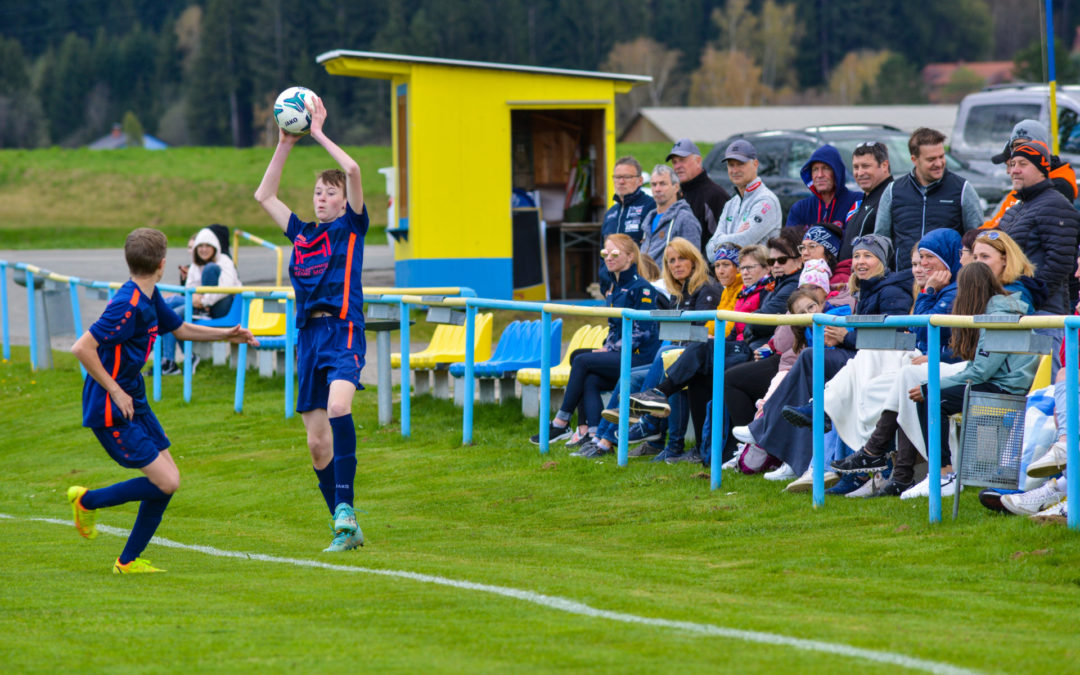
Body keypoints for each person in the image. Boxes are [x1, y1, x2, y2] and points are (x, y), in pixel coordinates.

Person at [66, 228, 257, 573]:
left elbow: (180, 329)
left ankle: (127, 561)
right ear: (163, 264)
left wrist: (227, 334)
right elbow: (82, 348)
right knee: (166, 481)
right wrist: (116, 390)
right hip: (112, 405)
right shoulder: (128, 305)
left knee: (169, 479)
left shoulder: (150, 296)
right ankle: (86, 501)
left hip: (132, 398)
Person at [254, 94, 369, 552]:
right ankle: (345, 524)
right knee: (317, 445)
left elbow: (355, 170)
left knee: (340, 408)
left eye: (330, 194)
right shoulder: (301, 234)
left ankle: (345, 509)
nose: (322, 199)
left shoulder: (352, 228)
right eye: (318, 193)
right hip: (308, 338)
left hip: (343, 330)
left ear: (344, 203)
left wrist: (318, 133)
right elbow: (264, 195)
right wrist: (285, 142)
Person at [732, 234, 913, 480]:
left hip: (879, 363)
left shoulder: (890, 291)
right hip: (857, 358)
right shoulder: (868, 288)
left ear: (882, 261)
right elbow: (783, 341)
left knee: (808, 359)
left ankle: (774, 436)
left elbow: (892, 339)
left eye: (868, 256)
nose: (860, 261)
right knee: (804, 365)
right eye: (857, 255)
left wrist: (844, 337)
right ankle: (795, 458)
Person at [903, 262, 1040, 499]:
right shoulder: (997, 311)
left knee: (931, 398)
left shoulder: (999, 317)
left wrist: (931, 387)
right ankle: (943, 473)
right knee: (929, 393)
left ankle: (943, 475)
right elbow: (977, 368)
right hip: (1002, 382)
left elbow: (981, 373)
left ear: (969, 291)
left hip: (1007, 389)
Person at [578, 238, 718, 459]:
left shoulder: (706, 288)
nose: (676, 264)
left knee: (663, 357)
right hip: (678, 359)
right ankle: (603, 439)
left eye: (682, 258)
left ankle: (647, 426)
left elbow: (701, 334)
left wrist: (675, 337)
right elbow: (672, 333)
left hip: (698, 360)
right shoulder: (678, 292)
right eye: (671, 260)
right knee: (632, 376)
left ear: (694, 261)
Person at [530, 233, 659, 448]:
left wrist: (611, 350)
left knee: (582, 361)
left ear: (630, 257)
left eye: (614, 253)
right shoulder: (613, 287)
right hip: (620, 353)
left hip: (639, 358)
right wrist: (607, 347)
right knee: (586, 372)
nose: (608, 258)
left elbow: (642, 334)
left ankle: (561, 422)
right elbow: (614, 328)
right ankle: (590, 431)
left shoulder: (642, 288)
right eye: (605, 253)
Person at [874, 127, 983, 270]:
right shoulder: (893, 191)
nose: (938, 163)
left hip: (948, 281)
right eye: (931, 159)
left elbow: (976, 239)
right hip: (904, 279)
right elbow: (881, 240)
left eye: (941, 156)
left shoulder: (963, 189)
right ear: (914, 160)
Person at [997, 141, 1080, 315]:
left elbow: (1059, 264)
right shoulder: (1014, 210)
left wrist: (1028, 296)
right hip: (1011, 306)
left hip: (1043, 313)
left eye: (1023, 164)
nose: (1015, 170)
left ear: (1042, 170)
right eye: (1012, 164)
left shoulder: (1057, 205)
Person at [158, 226, 242, 375]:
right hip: (201, 305)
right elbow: (190, 288)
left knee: (210, 269)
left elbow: (226, 288)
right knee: (169, 308)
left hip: (225, 307)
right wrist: (196, 300)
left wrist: (203, 302)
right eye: (200, 246)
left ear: (215, 247)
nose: (203, 249)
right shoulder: (195, 265)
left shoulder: (224, 261)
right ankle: (171, 360)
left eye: (207, 246)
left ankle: (171, 360)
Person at [984, 119, 1078, 229]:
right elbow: (998, 223)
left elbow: (1027, 230)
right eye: (1014, 146)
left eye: (1023, 145)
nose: (1019, 150)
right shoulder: (1023, 184)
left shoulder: (1059, 186)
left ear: (1040, 147)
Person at [703, 140, 782, 262]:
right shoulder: (730, 204)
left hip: (760, 278)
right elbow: (709, 252)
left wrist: (720, 240)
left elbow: (744, 241)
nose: (735, 170)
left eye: (740, 164)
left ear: (755, 164)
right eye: (731, 165)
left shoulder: (766, 200)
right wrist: (735, 236)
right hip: (732, 278)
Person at [667, 138, 730, 259]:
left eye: (682, 160)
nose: (677, 166)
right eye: (674, 162)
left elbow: (723, 242)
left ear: (698, 161)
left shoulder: (715, 195)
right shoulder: (675, 195)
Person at [785, 144, 860, 239]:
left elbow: (854, 240)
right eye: (815, 169)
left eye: (826, 168)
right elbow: (789, 244)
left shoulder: (856, 202)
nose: (820, 175)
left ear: (837, 172)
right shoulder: (800, 209)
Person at [640, 164, 700, 266]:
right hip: (646, 280)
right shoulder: (648, 219)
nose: (657, 189)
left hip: (668, 281)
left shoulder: (685, 219)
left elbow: (693, 262)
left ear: (676, 187)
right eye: (654, 185)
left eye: (663, 184)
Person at [842, 141, 893, 258]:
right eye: (856, 167)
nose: (859, 173)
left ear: (884, 165)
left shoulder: (892, 197)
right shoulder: (866, 198)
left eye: (866, 166)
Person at [799, 223, 847, 288]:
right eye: (803, 247)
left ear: (829, 254)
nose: (805, 253)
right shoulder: (802, 277)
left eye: (812, 246)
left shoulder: (840, 281)